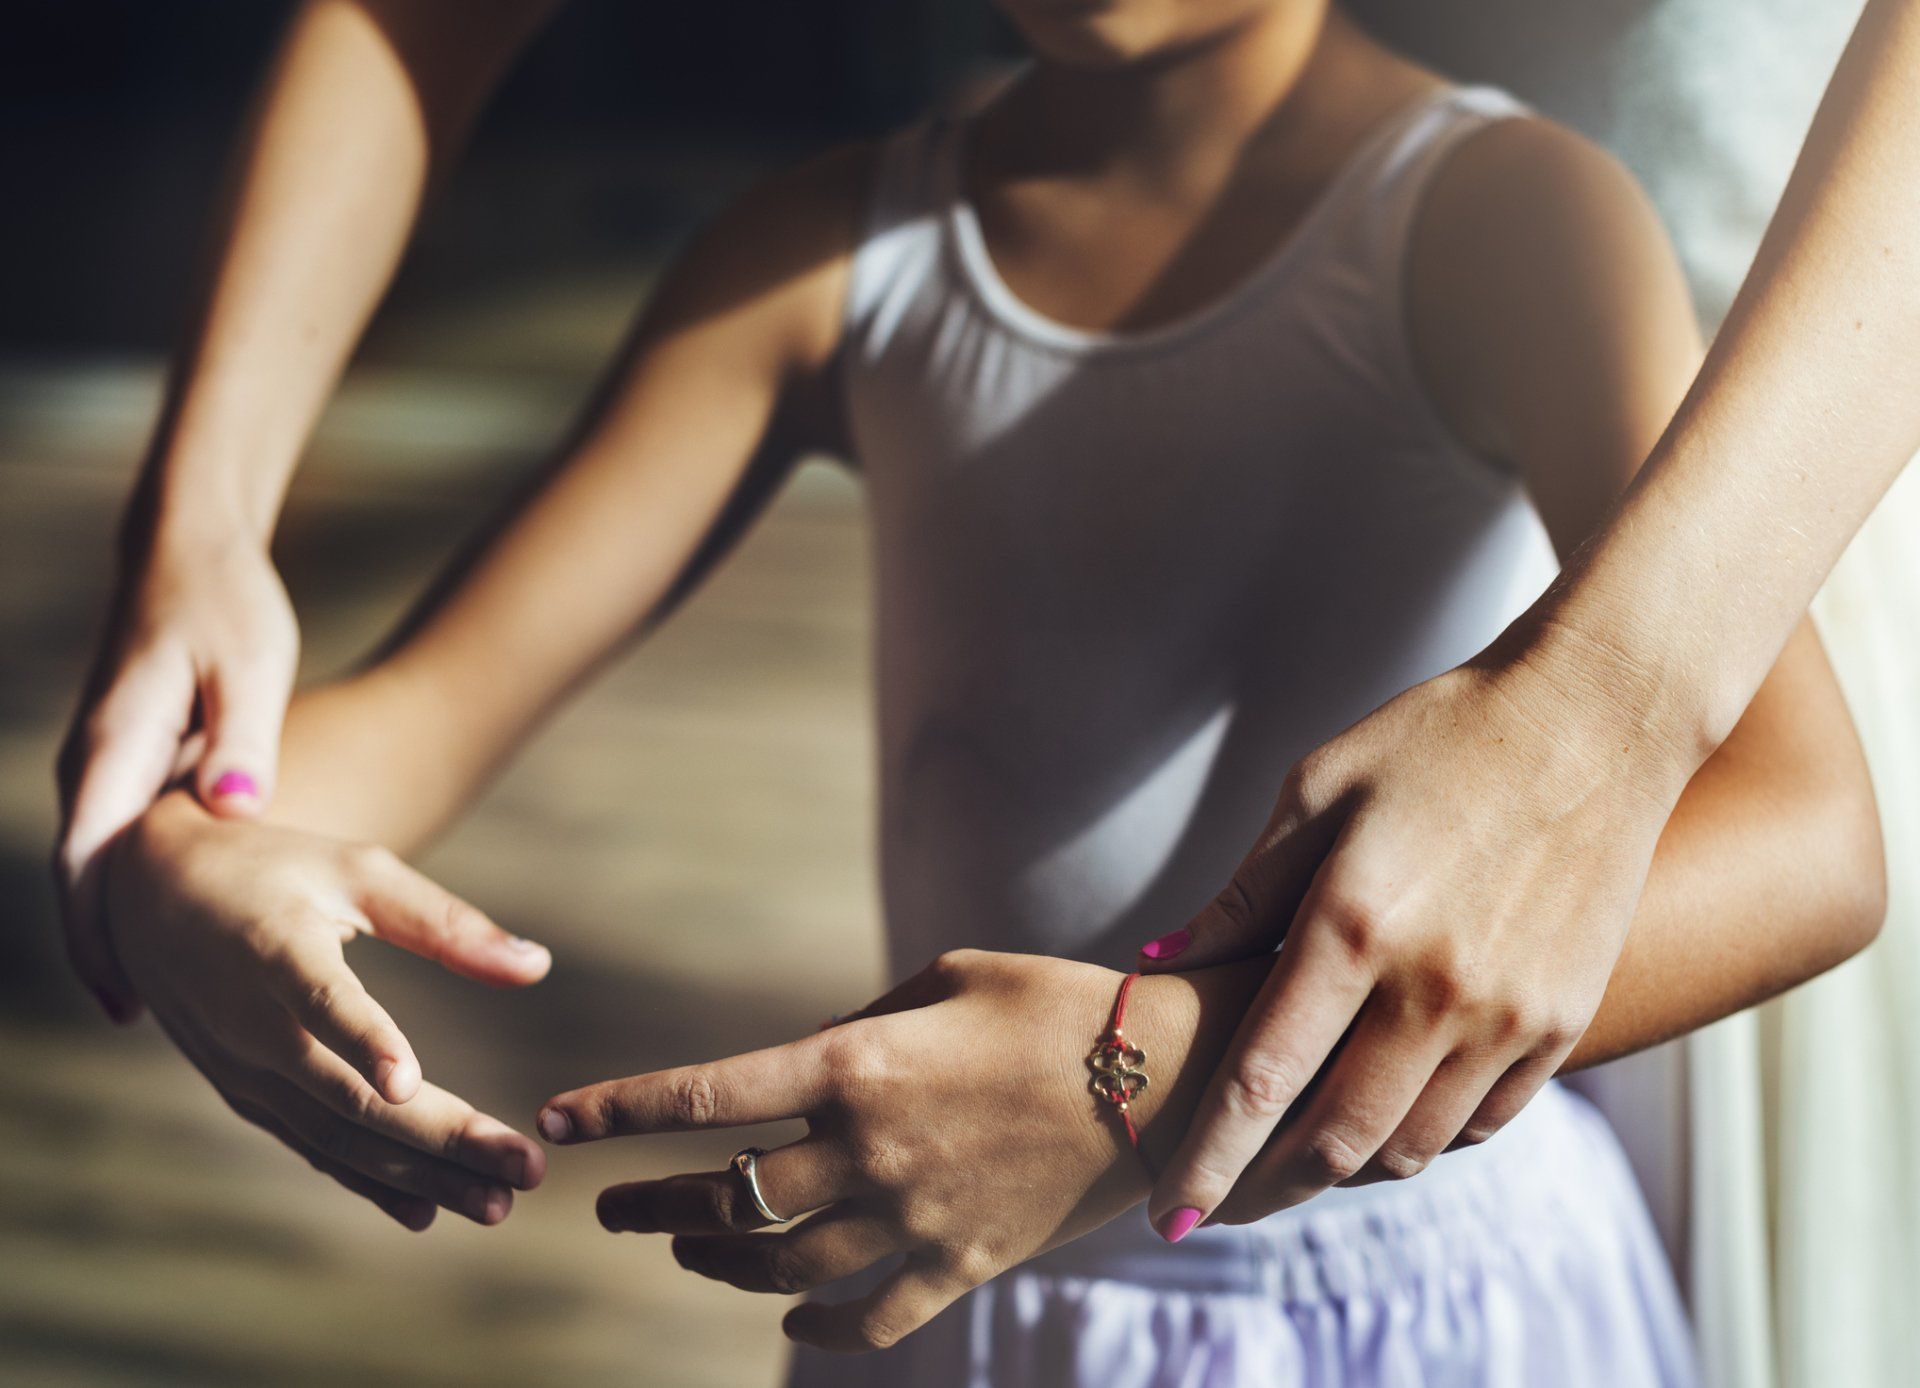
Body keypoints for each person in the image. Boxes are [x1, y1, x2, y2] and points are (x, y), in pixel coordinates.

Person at [98, 0, 1884, 1380]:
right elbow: (410, 723)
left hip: (1413, 1305)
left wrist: (1143, 1084)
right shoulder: (822, 257)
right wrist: (200, 853)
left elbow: (1807, 837)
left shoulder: (1509, 217)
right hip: (959, 1293)